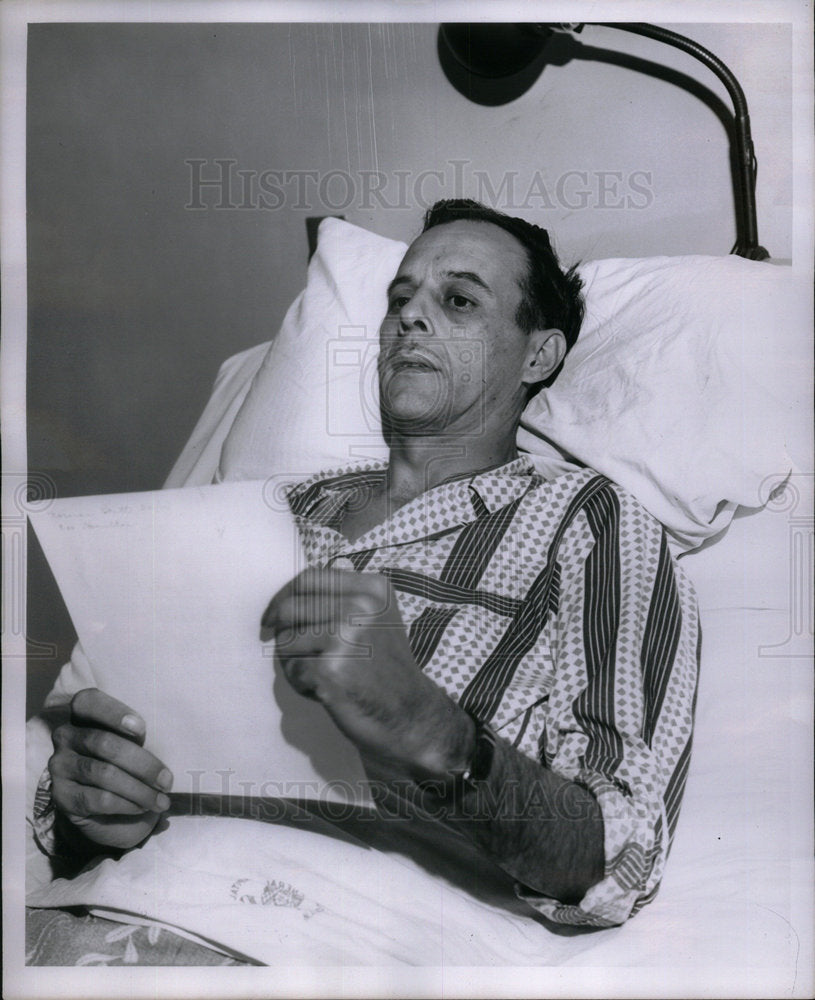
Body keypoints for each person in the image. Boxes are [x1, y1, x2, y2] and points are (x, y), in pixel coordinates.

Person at [34, 199, 699, 931]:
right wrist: (91, 805)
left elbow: (615, 857)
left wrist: (433, 733)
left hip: (347, 931)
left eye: (458, 299)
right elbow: (92, 765)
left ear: (538, 355)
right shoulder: (261, 510)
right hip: (124, 898)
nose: (410, 317)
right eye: (399, 299)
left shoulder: (589, 519)